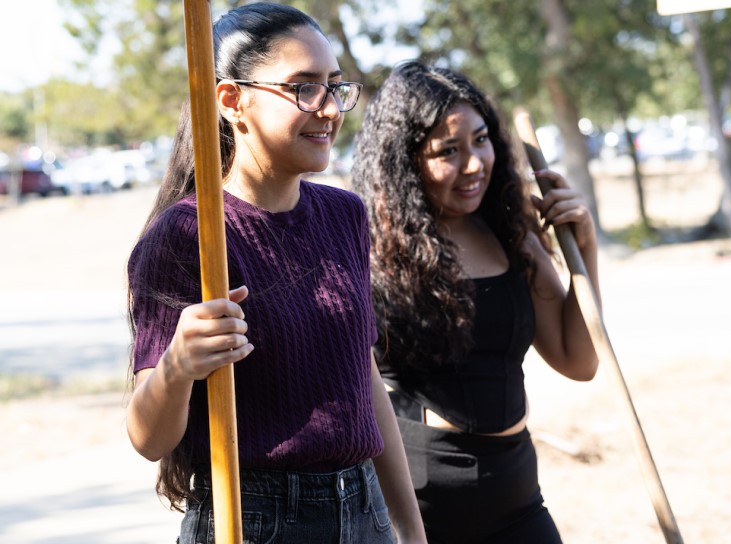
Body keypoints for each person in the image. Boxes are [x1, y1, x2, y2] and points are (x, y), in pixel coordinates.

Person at [125, 4, 425, 543]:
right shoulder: (188, 236)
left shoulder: (344, 214)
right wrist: (178, 366)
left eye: (335, 86)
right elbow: (148, 438)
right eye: (303, 87)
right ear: (233, 100)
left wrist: (409, 528)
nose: (329, 108)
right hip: (253, 519)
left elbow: (366, 381)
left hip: (365, 514)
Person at [350, 61, 601, 543]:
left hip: (518, 496)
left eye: (481, 140)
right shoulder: (371, 250)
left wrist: (583, 252)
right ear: (406, 159)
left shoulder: (512, 236)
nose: (474, 164)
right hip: (423, 507)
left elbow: (579, 359)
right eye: (449, 150)